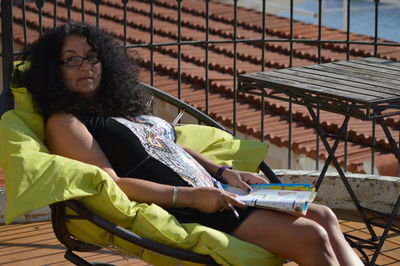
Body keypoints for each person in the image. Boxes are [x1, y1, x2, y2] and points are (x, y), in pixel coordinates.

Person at [20, 22, 363, 266]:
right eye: (72, 59)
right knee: (310, 236)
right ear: (54, 69)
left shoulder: (117, 108)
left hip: (215, 189)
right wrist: (193, 198)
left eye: (92, 56)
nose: (87, 66)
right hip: (190, 206)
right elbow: (113, 185)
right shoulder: (66, 122)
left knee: (324, 216)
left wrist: (225, 171)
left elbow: (170, 147)